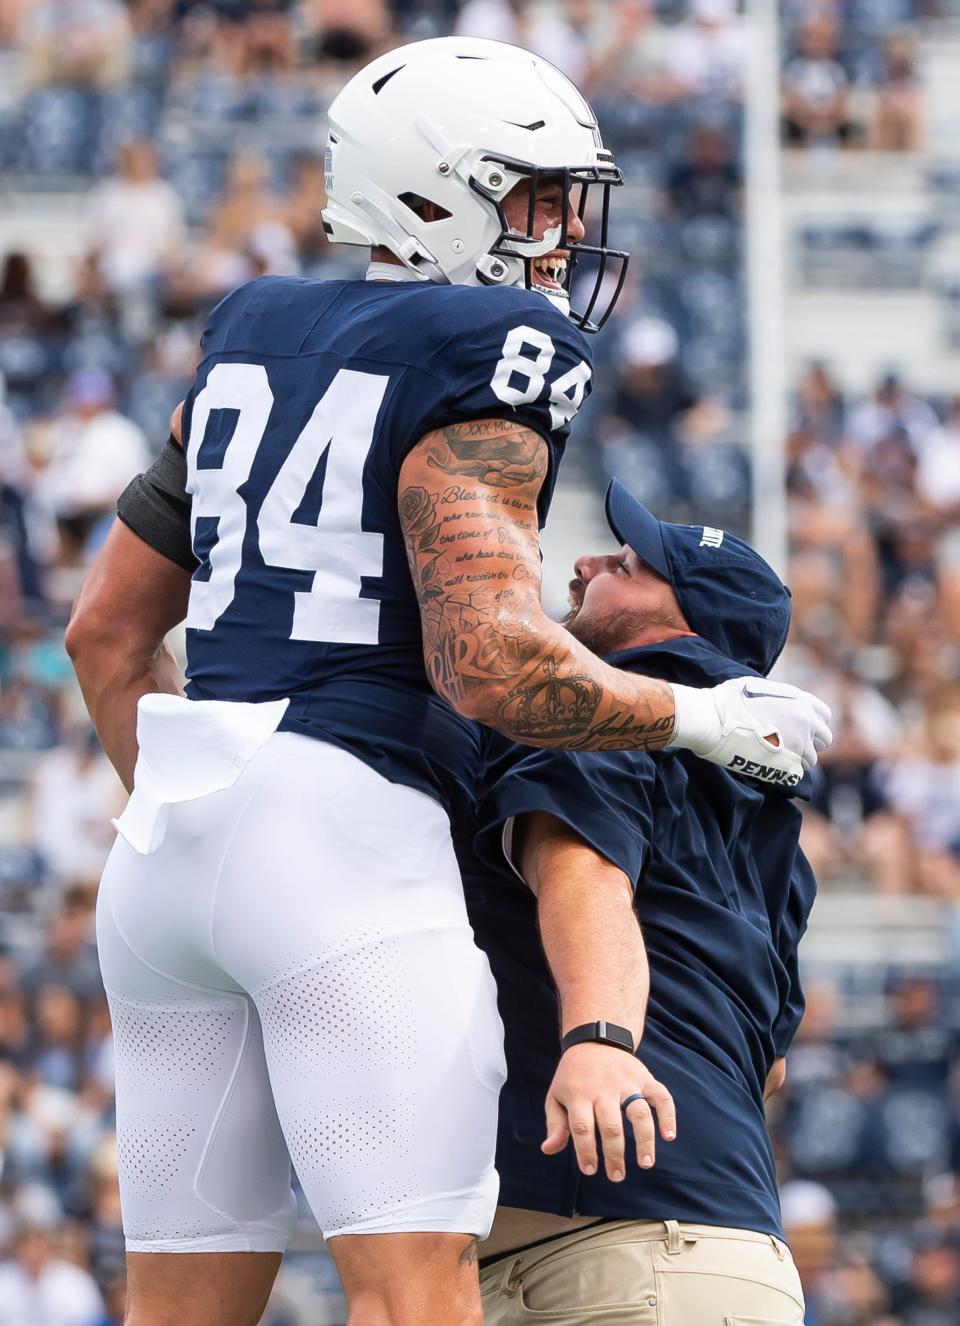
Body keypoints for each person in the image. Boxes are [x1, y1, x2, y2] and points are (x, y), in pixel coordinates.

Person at [66, 36, 830, 1326]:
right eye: (532, 198)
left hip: (165, 855)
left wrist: (212, 816)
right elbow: (484, 660)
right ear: (429, 192)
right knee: (416, 1299)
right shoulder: (492, 337)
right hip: (344, 829)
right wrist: (698, 713)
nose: (555, 239)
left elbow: (103, 633)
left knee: (175, 1311)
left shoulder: (249, 324)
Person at [464, 482, 817, 1323]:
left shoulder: (619, 701)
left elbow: (584, 867)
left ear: (683, 625)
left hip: (622, 1261)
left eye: (624, 565)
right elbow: (769, 1065)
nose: (585, 565)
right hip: (698, 1250)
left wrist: (600, 1040)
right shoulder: (773, 825)